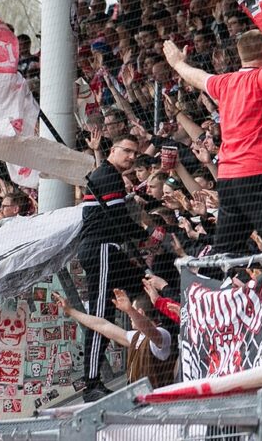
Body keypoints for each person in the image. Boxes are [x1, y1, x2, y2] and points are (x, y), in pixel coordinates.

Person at [162, 20, 262, 254]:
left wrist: (177, 64)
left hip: (228, 180)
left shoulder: (225, 82)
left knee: (226, 251)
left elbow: (197, 77)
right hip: (261, 177)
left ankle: (220, 287)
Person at [77, 135, 147, 396]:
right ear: (114, 151)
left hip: (107, 252)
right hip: (102, 250)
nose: (131, 157)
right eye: (127, 151)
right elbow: (119, 220)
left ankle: (149, 354)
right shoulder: (109, 176)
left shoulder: (105, 174)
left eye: (135, 154)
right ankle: (91, 383)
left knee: (145, 284)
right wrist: (148, 233)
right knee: (100, 315)